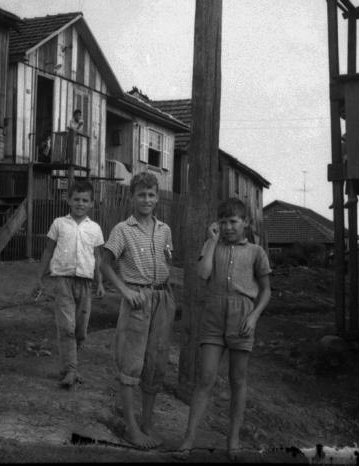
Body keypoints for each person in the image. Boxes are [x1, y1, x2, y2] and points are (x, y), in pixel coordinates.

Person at [174, 198, 271, 461]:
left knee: (237, 380)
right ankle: (188, 440)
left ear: (246, 223)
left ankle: (233, 440)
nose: (228, 227)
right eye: (224, 222)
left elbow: (266, 291)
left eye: (234, 222)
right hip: (214, 316)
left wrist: (253, 317)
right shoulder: (211, 245)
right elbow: (203, 274)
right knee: (205, 378)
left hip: (242, 317)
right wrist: (212, 241)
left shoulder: (256, 252)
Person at [100, 171, 175, 449]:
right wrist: (125, 291)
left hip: (162, 299)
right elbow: (105, 264)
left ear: (157, 198)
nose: (147, 199)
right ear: (132, 197)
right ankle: (131, 429)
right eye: (141, 194)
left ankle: (146, 423)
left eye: (151, 195)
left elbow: (168, 261)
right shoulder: (122, 230)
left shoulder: (164, 229)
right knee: (131, 362)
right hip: (137, 298)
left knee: (155, 362)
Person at [35, 179, 105, 388]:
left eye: (85, 200)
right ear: (68, 200)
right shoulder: (59, 223)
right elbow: (48, 250)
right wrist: (39, 276)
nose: (80, 203)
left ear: (92, 203)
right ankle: (71, 370)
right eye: (76, 199)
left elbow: (97, 257)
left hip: (85, 283)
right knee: (66, 326)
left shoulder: (95, 228)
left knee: (81, 329)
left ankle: (71, 365)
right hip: (63, 281)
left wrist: (100, 282)